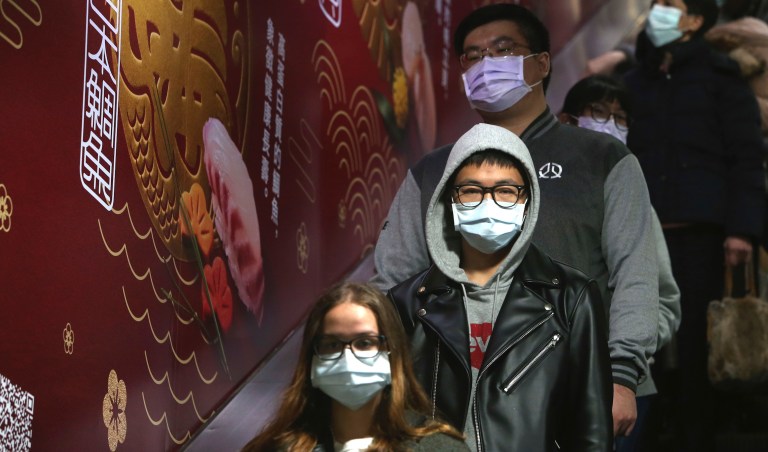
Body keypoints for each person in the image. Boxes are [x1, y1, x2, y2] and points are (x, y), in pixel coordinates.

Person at [371, 3, 659, 439]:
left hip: (579, 388)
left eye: (503, 50)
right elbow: (390, 280)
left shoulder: (601, 159)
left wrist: (621, 374)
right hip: (450, 400)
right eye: (472, 55)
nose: (486, 63)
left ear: (542, 63)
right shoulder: (433, 170)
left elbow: (635, 273)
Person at [387, 123, 613, 451]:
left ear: (527, 203)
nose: (489, 203)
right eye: (472, 191)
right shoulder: (407, 302)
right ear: (451, 200)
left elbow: (591, 429)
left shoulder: (570, 297)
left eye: (506, 191)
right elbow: (393, 420)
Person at [623, 1, 765, 450]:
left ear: (696, 21)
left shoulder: (722, 79)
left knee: (693, 342)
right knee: (637, 333)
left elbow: (746, 157)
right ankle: (644, 431)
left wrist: (741, 229)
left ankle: (695, 435)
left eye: (671, 5)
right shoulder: (635, 79)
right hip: (642, 229)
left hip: (699, 228)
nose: (658, 12)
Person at [558, 74, 683, 452]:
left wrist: (630, 349)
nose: (610, 124)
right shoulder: (530, 187)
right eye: (598, 111)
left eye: (620, 117)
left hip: (623, 387)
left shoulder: (636, 199)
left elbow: (665, 300)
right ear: (566, 119)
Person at [242, 282, 469, 452]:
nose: (348, 356)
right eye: (332, 344)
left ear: (392, 353)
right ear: (312, 359)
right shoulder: (275, 448)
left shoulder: (439, 447)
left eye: (365, 342)